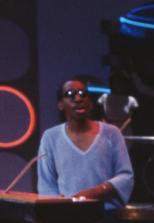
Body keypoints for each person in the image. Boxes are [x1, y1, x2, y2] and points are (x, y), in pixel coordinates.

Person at [37, 78, 134, 209]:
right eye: (70, 94)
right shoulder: (50, 137)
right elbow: (46, 185)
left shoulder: (112, 133)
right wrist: (61, 210)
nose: (78, 98)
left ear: (90, 103)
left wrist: (95, 193)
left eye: (83, 94)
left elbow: (125, 176)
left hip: (107, 214)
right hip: (67, 216)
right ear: (60, 104)